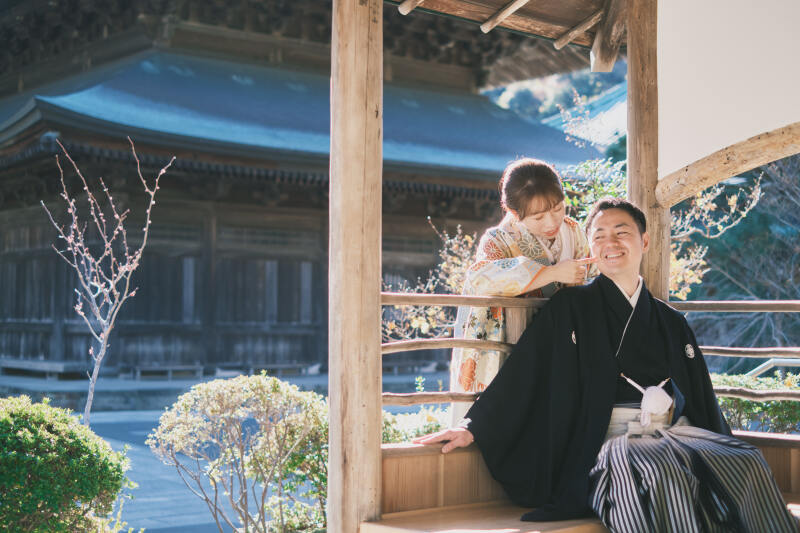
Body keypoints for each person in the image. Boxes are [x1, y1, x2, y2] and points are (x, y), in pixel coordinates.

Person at [418, 198, 797, 532]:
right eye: (598, 235)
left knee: (743, 461)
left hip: (672, 434)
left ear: (644, 241)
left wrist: (718, 441)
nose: (609, 244)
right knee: (657, 471)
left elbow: (701, 396)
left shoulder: (670, 320)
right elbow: (524, 374)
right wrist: (472, 427)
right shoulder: (570, 309)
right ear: (590, 246)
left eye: (621, 232)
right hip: (605, 445)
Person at [450, 158, 597, 423]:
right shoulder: (498, 239)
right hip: (516, 345)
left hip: (566, 343)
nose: (552, 221)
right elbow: (481, 279)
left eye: (558, 209)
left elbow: (593, 270)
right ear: (515, 214)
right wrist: (551, 273)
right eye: (539, 217)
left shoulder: (573, 231)